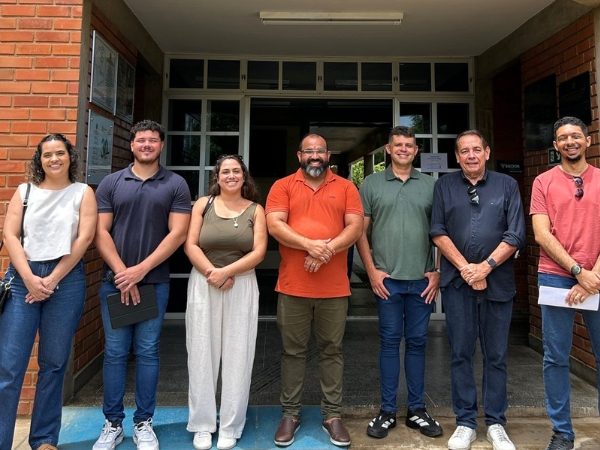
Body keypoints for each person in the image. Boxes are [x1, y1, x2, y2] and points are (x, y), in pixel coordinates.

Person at [92, 120, 191, 450]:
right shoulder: (111, 183)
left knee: (147, 352)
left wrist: (141, 271)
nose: (147, 145)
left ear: (161, 145)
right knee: (116, 353)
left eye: (153, 140)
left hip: (154, 283)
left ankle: (143, 422)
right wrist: (124, 273)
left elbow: (178, 233)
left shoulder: (175, 184)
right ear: (132, 145)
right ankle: (112, 424)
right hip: (115, 283)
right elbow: (100, 231)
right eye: (141, 140)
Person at [265, 133, 363, 447]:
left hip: (334, 288)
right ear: (300, 155)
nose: (315, 156)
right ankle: (290, 414)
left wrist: (326, 251)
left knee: (332, 351)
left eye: (320, 151)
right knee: (292, 352)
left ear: (328, 155)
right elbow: (275, 225)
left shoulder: (346, 187)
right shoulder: (283, 186)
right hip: (293, 285)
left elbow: (355, 227)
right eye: (309, 151)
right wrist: (311, 245)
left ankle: (332, 415)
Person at [0, 134, 97, 450]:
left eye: (60, 153)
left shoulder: (82, 192)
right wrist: (29, 278)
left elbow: (84, 239)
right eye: (47, 155)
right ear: (39, 160)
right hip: (22, 279)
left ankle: (43, 439)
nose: (54, 159)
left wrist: (52, 279)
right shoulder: (25, 191)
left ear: (70, 156)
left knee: (54, 363)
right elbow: (10, 235)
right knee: (9, 367)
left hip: (65, 281)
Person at [430, 130, 525, 450]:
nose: (470, 155)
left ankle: (496, 423)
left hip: (498, 283)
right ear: (457, 157)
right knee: (460, 353)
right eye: (464, 151)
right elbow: (438, 231)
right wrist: (468, 270)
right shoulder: (444, 186)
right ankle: (466, 422)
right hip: (458, 285)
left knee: (496, 355)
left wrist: (486, 267)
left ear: (486, 152)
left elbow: (516, 234)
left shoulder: (507, 185)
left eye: (476, 150)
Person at [355, 126, 442, 440]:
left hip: (422, 281)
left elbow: (443, 232)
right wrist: (372, 271)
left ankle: (417, 409)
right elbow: (360, 232)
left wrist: (438, 271)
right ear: (388, 150)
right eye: (398, 145)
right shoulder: (371, 183)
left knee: (418, 344)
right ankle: (387, 411)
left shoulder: (432, 185)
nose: (404, 149)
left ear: (416, 151)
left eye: (409, 145)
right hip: (387, 281)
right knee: (390, 344)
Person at [185, 155, 267, 450]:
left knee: (238, 354)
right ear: (217, 177)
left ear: (244, 177)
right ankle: (202, 424)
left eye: (236, 171)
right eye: (225, 171)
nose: (231, 176)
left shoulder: (256, 210)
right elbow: (190, 244)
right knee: (201, 353)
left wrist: (227, 272)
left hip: (241, 285)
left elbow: (259, 252)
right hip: (204, 283)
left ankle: (231, 425)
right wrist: (214, 274)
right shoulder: (202, 204)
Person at [531, 116, 600, 450]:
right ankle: (562, 432)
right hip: (556, 276)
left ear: (588, 140)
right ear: (555, 145)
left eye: (576, 136)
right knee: (555, 358)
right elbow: (541, 234)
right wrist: (577, 271)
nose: (570, 141)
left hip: (598, 277)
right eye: (563, 138)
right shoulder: (543, 182)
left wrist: (592, 277)